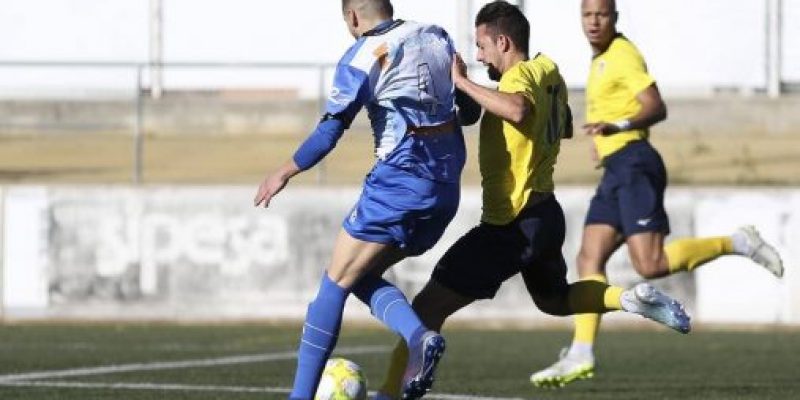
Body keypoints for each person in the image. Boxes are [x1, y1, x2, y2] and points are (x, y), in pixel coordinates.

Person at [372, 2, 692, 399]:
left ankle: (387, 393)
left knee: (425, 309)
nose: (479, 56)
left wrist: (461, 82)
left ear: (503, 42)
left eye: (482, 46)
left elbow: (518, 108)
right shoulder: (548, 70)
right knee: (554, 300)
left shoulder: (518, 79)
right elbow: (565, 124)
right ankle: (630, 299)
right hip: (544, 216)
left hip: (511, 223)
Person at [529, 0, 785, 388]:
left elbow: (656, 106)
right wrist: (603, 143)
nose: (594, 22)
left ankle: (737, 242)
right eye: (587, 15)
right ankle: (581, 352)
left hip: (635, 164)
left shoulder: (623, 54)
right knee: (588, 258)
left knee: (649, 264)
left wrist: (618, 127)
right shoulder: (599, 60)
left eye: (601, 14)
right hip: (616, 169)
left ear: (615, 17)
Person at [253, 1, 480, 399]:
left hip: (398, 184)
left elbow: (329, 132)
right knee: (358, 276)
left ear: (353, 17)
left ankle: (302, 395)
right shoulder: (436, 37)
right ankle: (419, 338)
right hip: (445, 191)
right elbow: (471, 111)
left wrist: (284, 171)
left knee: (334, 284)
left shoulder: (360, 57)